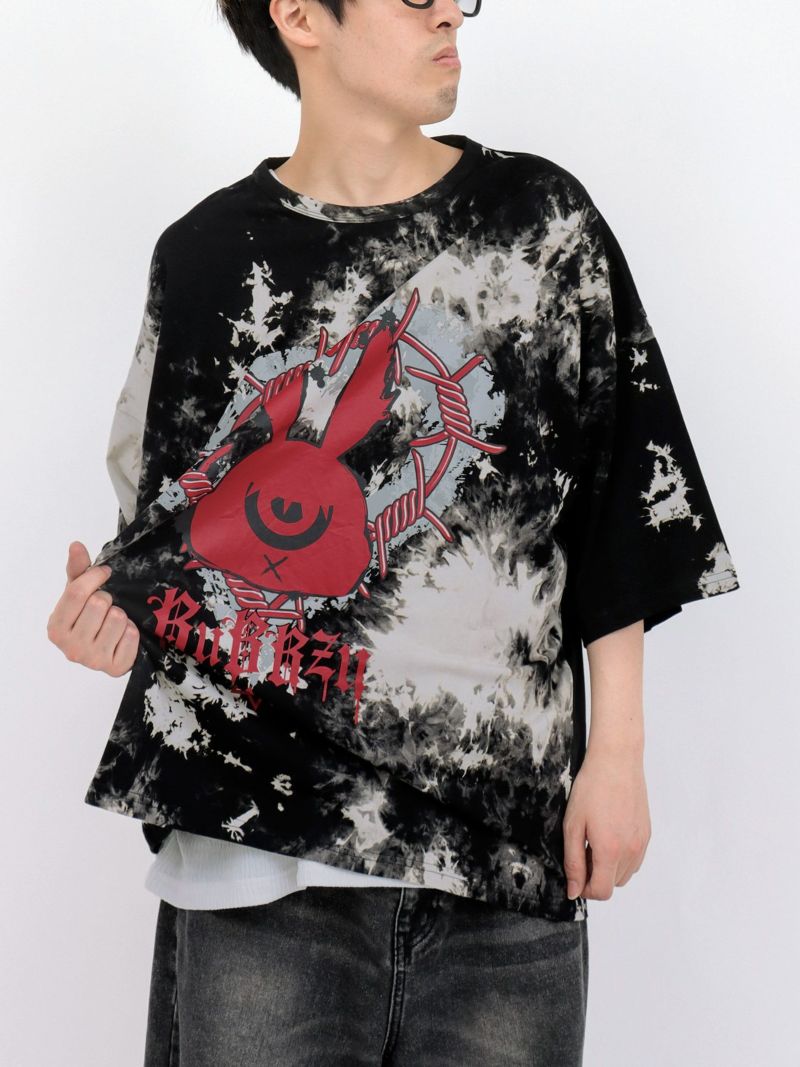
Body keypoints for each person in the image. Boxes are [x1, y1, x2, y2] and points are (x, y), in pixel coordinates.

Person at [46, 1, 741, 1063]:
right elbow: (175, 542)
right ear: (299, 16)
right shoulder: (205, 257)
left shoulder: (539, 224)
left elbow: (617, 502)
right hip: (259, 869)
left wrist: (618, 752)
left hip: (501, 866)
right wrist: (107, 617)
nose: (448, 10)